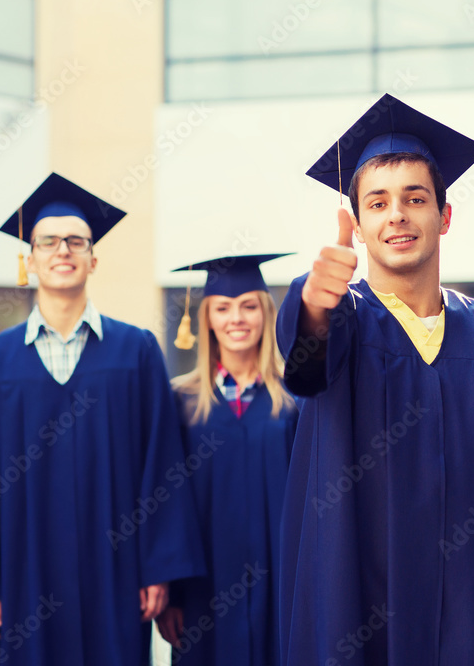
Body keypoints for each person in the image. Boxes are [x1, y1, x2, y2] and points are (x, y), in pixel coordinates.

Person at [276, 94, 474, 666]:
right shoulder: (344, 322)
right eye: (377, 203)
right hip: (357, 618)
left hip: (472, 621)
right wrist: (312, 304)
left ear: (444, 217)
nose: (396, 214)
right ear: (361, 228)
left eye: (414, 198)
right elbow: (305, 361)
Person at [0, 173, 206, 666]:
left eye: (76, 240)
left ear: (94, 257)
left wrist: (159, 569)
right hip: (21, 573)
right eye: (48, 241)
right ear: (29, 259)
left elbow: (161, 463)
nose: (62, 251)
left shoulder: (136, 350)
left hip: (116, 569)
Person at [156, 254, 298, 665]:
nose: (236, 318)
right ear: (207, 319)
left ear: (266, 314)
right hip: (205, 589)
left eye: (249, 306)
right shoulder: (179, 402)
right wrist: (172, 593)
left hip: (280, 582)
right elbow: (167, 507)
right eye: (223, 308)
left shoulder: (296, 399)